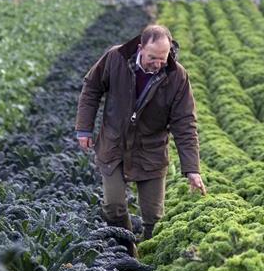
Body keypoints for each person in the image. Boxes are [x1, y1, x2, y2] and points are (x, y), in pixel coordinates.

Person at [75, 25, 206, 250]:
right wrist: (84, 128)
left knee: (154, 219)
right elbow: (91, 88)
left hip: (151, 151)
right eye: (152, 57)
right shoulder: (115, 58)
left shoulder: (177, 76)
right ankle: (128, 255)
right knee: (113, 207)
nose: (157, 64)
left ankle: (150, 262)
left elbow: (185, 123)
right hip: (114, 145)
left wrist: (192, 169)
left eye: (163, 59)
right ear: (140, 49)